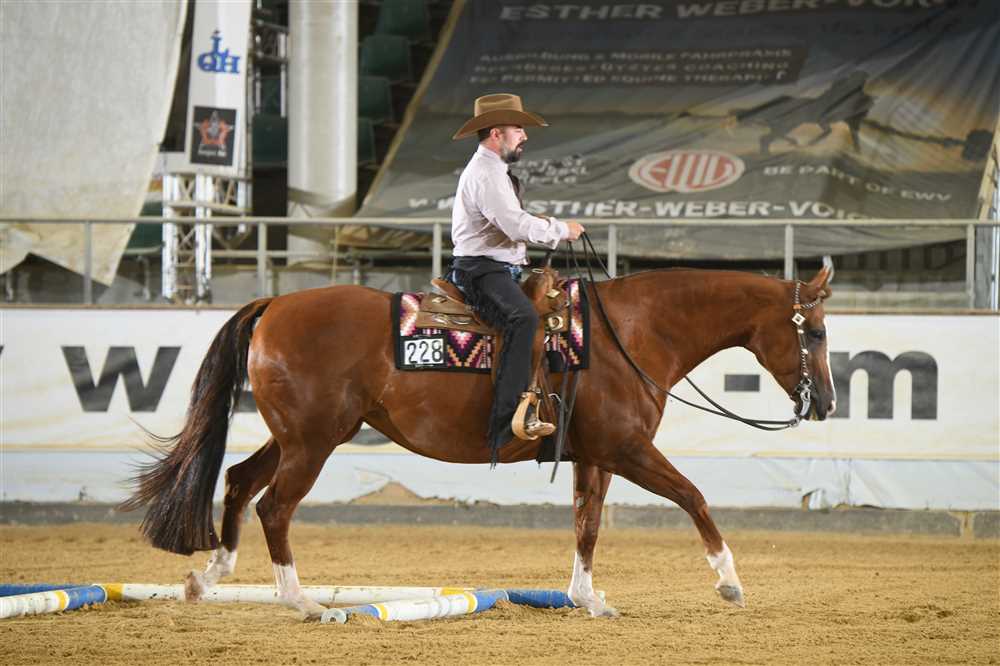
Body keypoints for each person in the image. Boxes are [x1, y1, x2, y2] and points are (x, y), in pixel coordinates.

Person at [447, 93, 585, 460]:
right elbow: (513, 224)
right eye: (518, 128)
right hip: (482, 270)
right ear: (496, 133)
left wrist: (545, 225)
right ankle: (508, 420)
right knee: (522, 319)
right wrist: (560, 229)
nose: (524, 135)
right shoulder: (487, 174)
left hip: (496, 268)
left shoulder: (493, 172)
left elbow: (511, 221)